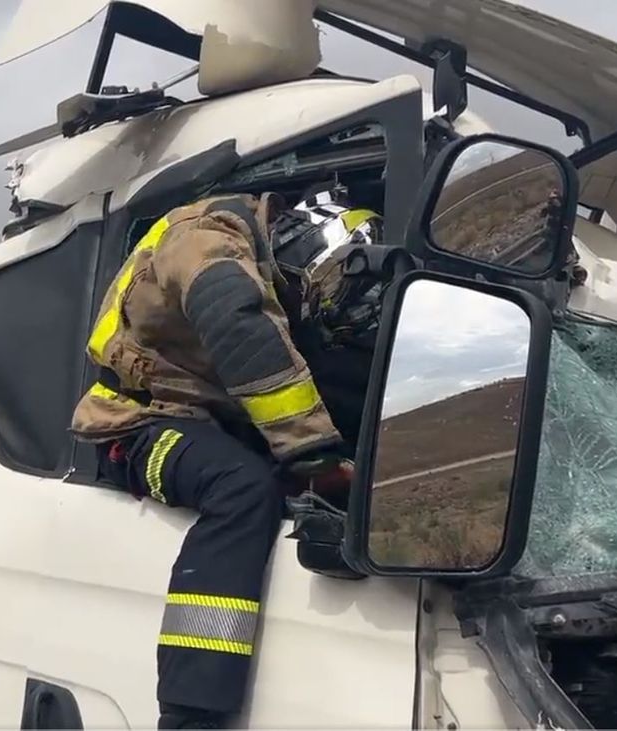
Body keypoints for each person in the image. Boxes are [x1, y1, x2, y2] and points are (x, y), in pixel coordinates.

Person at [70, 187, 383, 729]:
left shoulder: (257, 253)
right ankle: (192, 712)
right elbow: (240, 326)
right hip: (137, 423)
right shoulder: (208, 238)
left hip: (206, 413)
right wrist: (315, 458)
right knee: (242, 488)